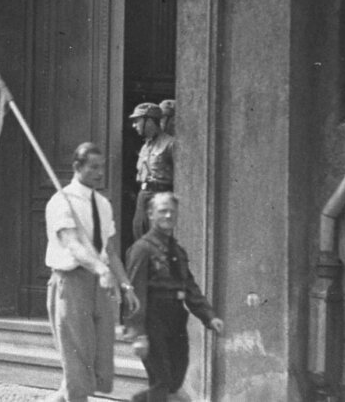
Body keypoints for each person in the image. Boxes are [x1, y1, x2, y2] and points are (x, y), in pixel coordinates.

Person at [43, 142, 138, 401]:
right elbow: (72, 243)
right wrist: (100, 269)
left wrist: (125, 284)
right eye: (93, 167)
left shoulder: (103, 204)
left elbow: (111, 250)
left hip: (100, 287)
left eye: (102, 167)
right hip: (71, 283)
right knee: (77, 362)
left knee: (98, 362)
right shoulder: (61, 201)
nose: (100, 173)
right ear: (77, 167)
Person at [125, 193, 224, 402]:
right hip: (153, 318)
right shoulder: (142, 249)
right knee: (162, 380)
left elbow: (189, 287)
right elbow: (134, 293)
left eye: (172, 211)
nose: (168, 215)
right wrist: (138, 333)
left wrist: (209, 316)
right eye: (163, 211)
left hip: (176, 318)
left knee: (176, 379)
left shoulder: (177, 250)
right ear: (150, 214)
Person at [131, 102, 175, 241]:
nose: (134, 125)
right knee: (140, 237)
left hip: (160, 197)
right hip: (143, 197)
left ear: (149, 121)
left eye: (137, 121)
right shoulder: (145, 146)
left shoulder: (170, 144)